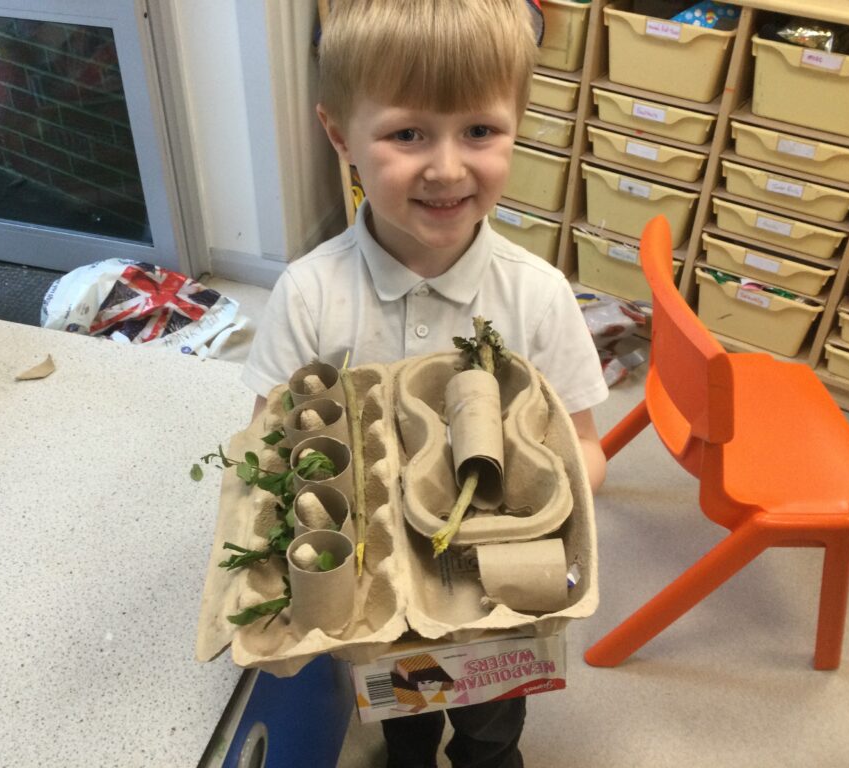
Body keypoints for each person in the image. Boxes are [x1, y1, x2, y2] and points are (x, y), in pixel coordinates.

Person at [242, 1, 608, 765]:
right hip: (382, 606)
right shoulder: (310, 296)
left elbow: (585, 447)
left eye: (479, 130)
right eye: (407, 134)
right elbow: (273, 451)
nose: (446, 168)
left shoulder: (537, 297)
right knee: (403, 718)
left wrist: (546, 499)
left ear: (518, 123)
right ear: (340, 135)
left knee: (490, 732)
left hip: (495, 600)